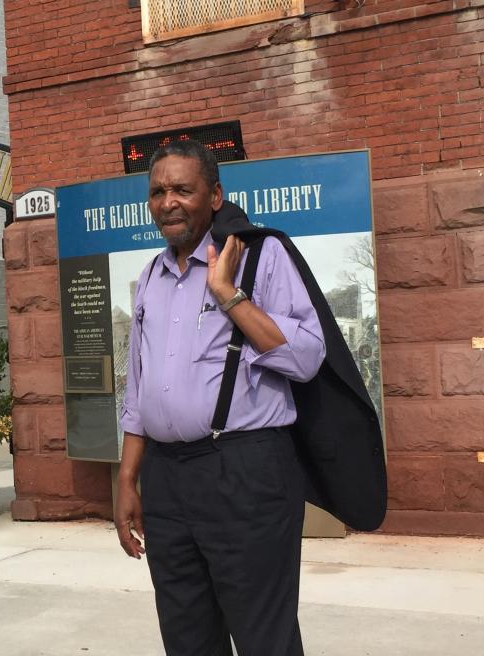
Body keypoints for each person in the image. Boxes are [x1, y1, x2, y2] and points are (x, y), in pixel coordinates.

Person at [115, 141, 326, 656]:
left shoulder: (262, 256)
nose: (169, 202)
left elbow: (306, 358)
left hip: (245, 472)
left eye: (183, 190)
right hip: (167, 480)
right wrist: (126, 479)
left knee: (263, 636)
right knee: (187, 637)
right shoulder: (150, 277)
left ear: (214, 196)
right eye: (159, 191)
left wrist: (227, 292)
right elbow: (138, 387)